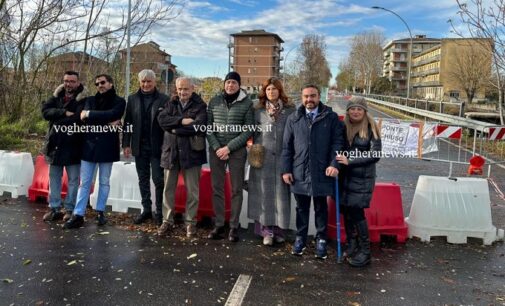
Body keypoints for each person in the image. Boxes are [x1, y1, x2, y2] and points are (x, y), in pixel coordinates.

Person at [281, 84, 345, 259]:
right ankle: (300, 238)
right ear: (302, 98)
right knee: (301, 208)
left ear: (319, 97)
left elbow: (338, 143)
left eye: (313, 96)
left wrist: (334, 164)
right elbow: (286, 147)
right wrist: (286, 170)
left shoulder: (330, 118)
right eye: (306, 96)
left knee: (320, 208)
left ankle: (321, 239)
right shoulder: (294, 118)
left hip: (322, 171)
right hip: (299, 171)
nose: (310, 99)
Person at [64, 74, 126, 229]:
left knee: (104, 182)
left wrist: (91, 114)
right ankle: (78, 214)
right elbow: (82, 118)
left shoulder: (119, 101)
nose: (100, 85)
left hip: (108, 147)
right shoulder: (90, 100)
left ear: (110, 83)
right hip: (89, 147)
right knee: (84, 183)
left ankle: (100, 212)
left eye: (103, 82)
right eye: (97, 83)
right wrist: (103, 119)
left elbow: (113, 114)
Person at [157, 77, 207, 238]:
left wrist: (175, 130)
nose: (182, 92)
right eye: (179, 89)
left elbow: (199, 126)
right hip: (171, 152)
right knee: (168, 190)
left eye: (185, 89)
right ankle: (167, 220)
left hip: (192, 154)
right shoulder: (170, 103)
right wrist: (182, 120)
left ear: (192, 88)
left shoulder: (200, 106)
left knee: (192, 191)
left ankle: (190, 223)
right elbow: (162, 120)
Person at [207, 71, 254, 242]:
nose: (230, 85)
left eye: (234, 82)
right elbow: (208, 127)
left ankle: (233, 226)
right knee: (217, 188)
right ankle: (219, 224)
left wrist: (229, 147)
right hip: (216, 151)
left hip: (237, 152)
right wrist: (217, 147)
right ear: (224, 84)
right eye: (228, 82)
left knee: (236, 190)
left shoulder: (247, 103)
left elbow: (249, 129)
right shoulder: (214, 101)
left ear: (239, 85)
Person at [247, 77, 295, 246]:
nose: (271, 92)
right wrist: (250, 148)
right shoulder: (257, 110)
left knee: (281, 195)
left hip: (283, 157)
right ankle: (266, 231)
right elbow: (249, 131)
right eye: (268, 89)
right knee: (264, 194)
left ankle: (280, 230)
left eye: (274, 89)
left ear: (280, 90)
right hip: (263, 158)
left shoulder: (290, 110)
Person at [336, 96, 381, 267]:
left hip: (361, 180)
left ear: (364, 111)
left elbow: (375, 154)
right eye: (352, 108)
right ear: (348, 111)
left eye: (359, 109)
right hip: (344, 178)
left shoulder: (371, 128)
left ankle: (365, 251)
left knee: (357, 214)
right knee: (346, 212)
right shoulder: (343, 127)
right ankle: (352, 244)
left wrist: (351, 160)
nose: (355, 111)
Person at [122, 69, 168, 226]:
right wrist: (126, 144)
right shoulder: (132, 99)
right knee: (142, 179)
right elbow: (127, 123)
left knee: (158, 180)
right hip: (139, 146)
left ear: (155, 82)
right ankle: (146, 210)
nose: (146, 84)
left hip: (157, 147)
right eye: (143, 81)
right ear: (139, 82)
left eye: (149, 81)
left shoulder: (164, 99)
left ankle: (160, 212)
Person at [41, 71, 87, 222]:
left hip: (74, 144)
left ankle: (69, 209)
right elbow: (45, 112)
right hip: (54, 145)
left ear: (78, 83)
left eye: (72, 81)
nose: (69, 84)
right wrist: (63, 112)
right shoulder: (56, 96)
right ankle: (54, 208)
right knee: (54, 178)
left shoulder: (84, 99)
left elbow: (77, 118)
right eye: (66, 80)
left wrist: (57, 118)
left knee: (74, 180)